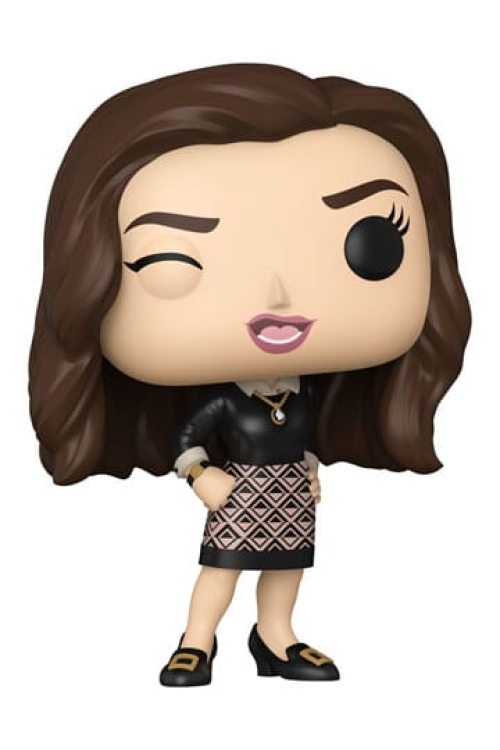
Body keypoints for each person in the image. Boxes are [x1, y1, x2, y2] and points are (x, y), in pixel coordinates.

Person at [29, 63, 471, 686]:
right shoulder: (225, 403)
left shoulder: (305, 391)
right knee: (222, 567)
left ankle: (276, 637)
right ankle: (197, 640)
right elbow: (189, 437)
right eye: (172, 262)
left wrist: (310, 468)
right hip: (239, 492)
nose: (279, 295)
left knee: (289, 568)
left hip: (289, 489)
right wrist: (201, 476)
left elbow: (306, 432)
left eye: (372, 243)